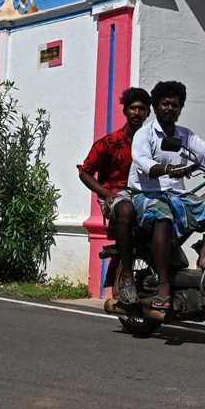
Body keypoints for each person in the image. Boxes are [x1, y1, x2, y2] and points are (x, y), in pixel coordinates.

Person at [129, 80, 205, 319]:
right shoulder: (144, 134)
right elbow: (142, 161)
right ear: (155, 107)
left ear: (180, 108)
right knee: (162, 215)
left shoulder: (185, 136)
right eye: (165, 104)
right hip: (146, 194)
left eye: (175, 105)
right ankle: (164, 286)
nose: (170, 109)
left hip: (177, 195)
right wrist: (165, 169)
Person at [78, 86, 151, 305]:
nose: (137, 113)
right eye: (133, 108)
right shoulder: (110, 142)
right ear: (126, 111)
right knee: (126, 208)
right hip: (116, 197)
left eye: (142, 109)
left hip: (144, 196)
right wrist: (105, 193)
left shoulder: (151, 143)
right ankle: (128, 276)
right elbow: (85, 172)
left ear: (148, 113)